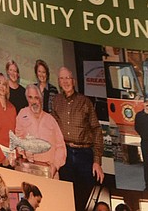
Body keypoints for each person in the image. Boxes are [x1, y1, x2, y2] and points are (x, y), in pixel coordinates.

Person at [50, 66, 104, 209]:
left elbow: (97, 130)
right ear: (59, 82)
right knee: (67, 197)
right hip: (65, 154)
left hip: (84, 155)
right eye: (62, 78)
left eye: (68, 78)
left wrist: (97, 161)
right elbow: (53, 130)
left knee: (85, 197)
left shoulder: (85, 102)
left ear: (73, 81)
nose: (65, 81)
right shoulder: (56, 101)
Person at [13, 83, 67, 174]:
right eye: (30, 97)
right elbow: (18, 139)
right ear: (27, 99)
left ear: (41, 99)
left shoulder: (51, 119)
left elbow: (61, 147)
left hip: (49, 170)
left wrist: (55, 166)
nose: (33, 101)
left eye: (36, 97)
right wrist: (25, 151)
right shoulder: (22, 114)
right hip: (29, 169)